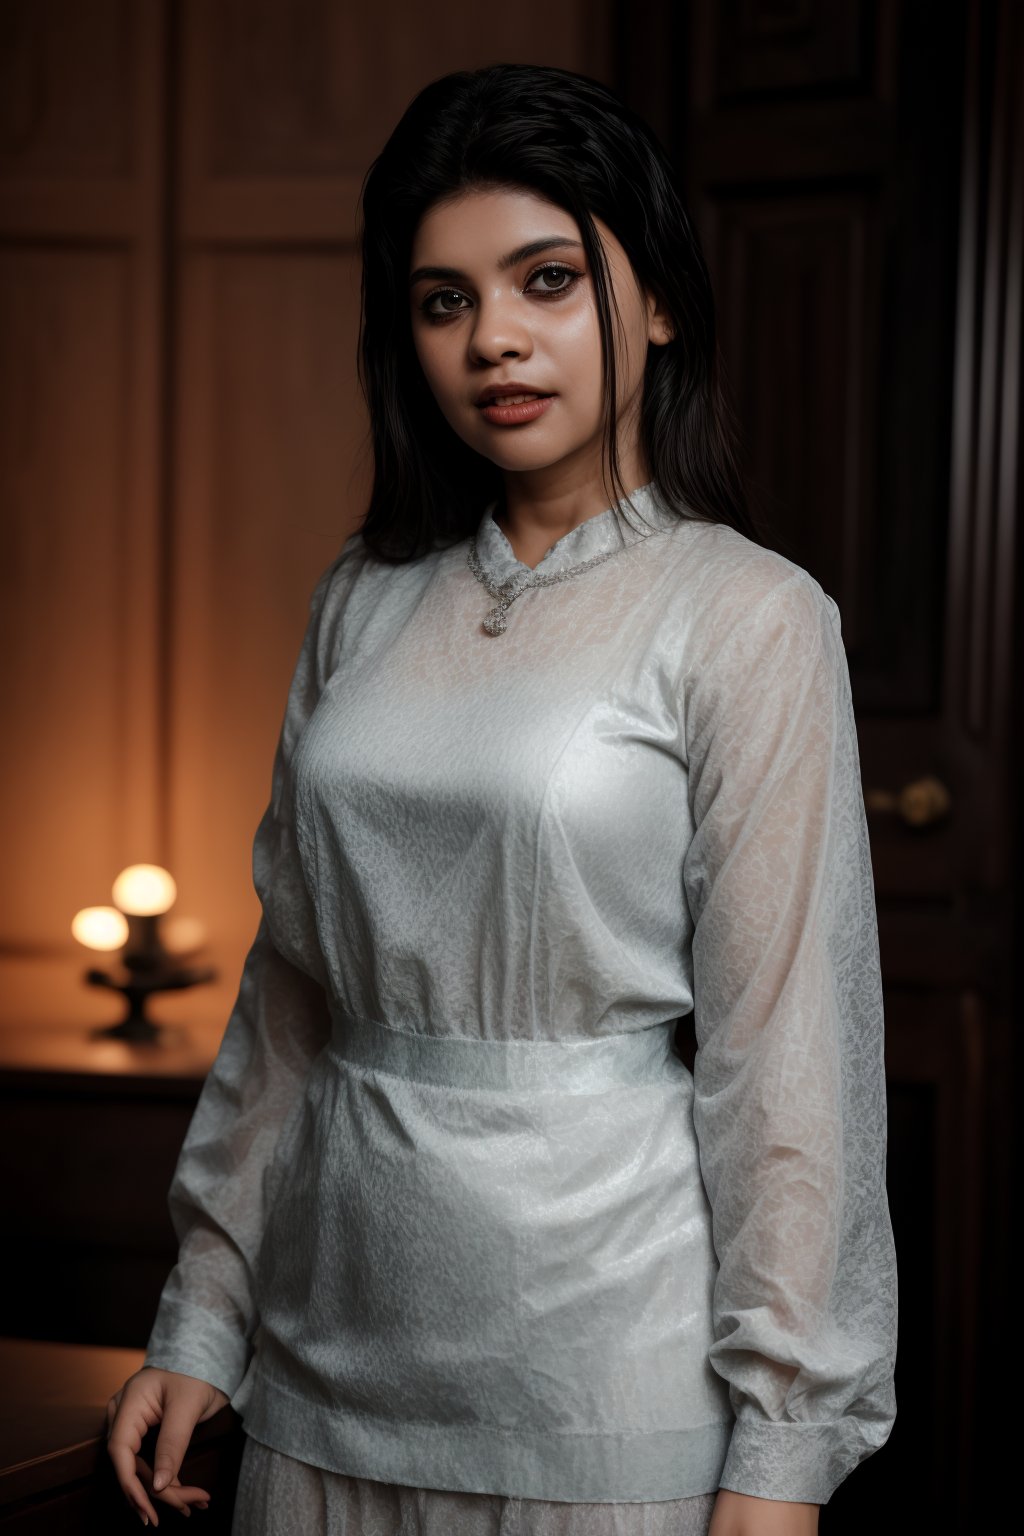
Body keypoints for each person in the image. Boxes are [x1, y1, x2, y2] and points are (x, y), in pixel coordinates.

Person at [105, 61, 898, 1536]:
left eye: (547, 279)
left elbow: (792, 1064)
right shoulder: (363, 598)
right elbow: (291, 998)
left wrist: (782, 1459)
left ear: (656, 298)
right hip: (327, 1359)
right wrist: (202, 1313)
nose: (495, 342)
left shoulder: (748, 616)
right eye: (443, 300)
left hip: (605, 1374)